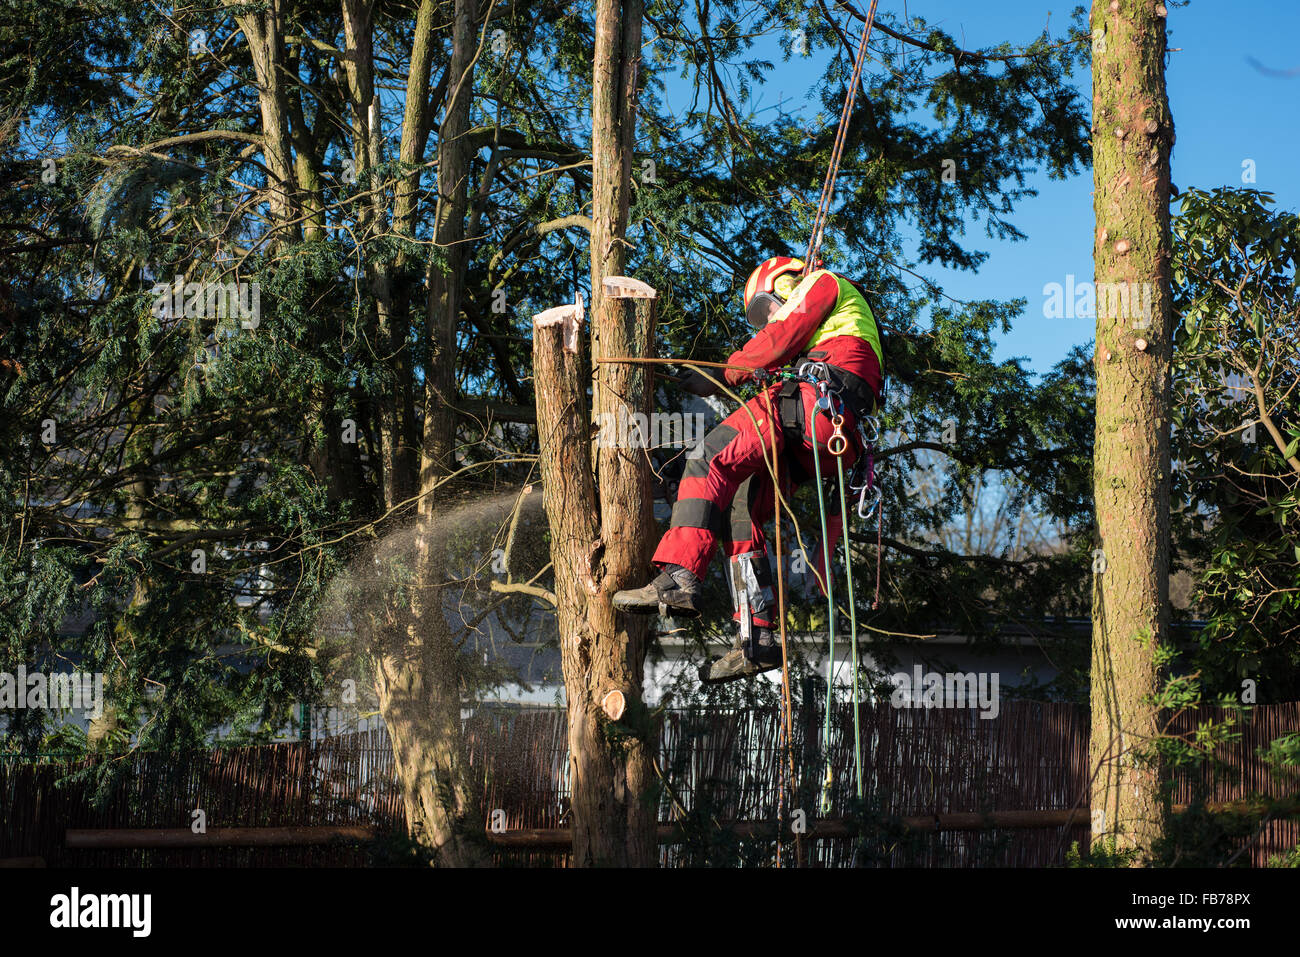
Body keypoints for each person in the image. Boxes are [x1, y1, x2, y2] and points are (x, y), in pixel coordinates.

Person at [613, 256, 885, 683]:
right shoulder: (833, 327)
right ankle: (757, 637)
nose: (768, 318)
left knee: (709, 457)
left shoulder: (822, 283)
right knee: (741, 508)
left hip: (815, 404)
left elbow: (780, 336)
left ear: (784, 280)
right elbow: (781, 342)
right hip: (826, 432)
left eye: (765, 306)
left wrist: (722, 371)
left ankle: (679, 576)